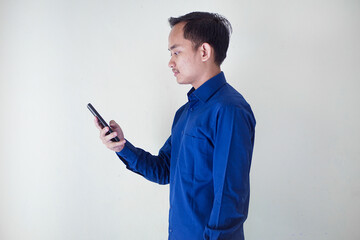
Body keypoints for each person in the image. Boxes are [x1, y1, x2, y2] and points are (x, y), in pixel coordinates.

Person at [94, 11, 256, 240]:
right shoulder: (185, 113)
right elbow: (163, 169)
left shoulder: (229, 110)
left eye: (176, 52)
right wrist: (122, 147)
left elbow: (230, 198)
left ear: (204, 51)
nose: (171, 62)